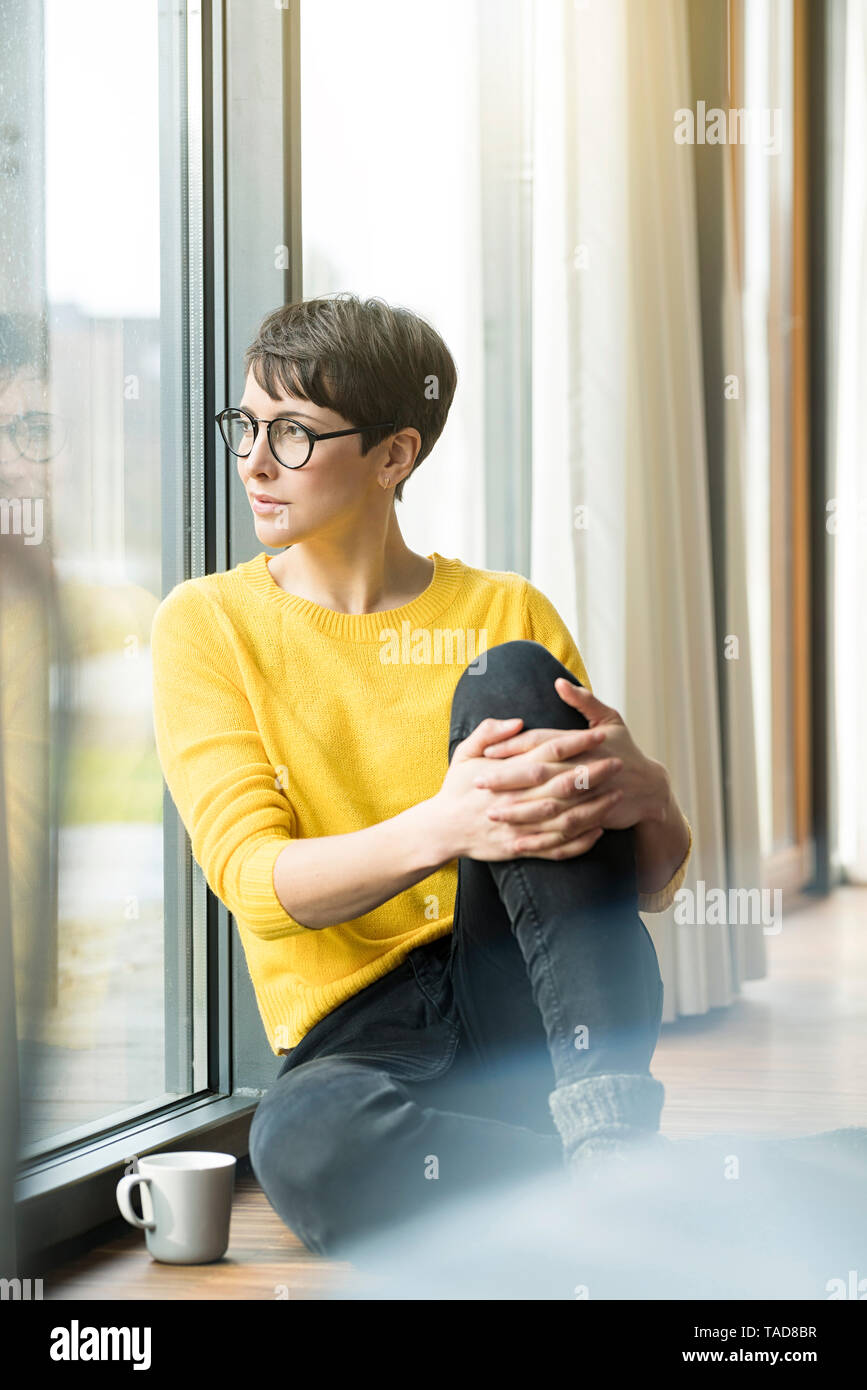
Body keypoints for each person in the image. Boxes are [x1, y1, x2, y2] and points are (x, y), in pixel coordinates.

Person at [150, 292, 693, 1264]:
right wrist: (446, 824)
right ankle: (625, 1187)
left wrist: (654, 799)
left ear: (394, 455)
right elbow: (259, 886)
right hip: (359, 1037)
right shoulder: (208, 623)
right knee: (304, 1145)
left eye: (293, 434)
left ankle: (607, 1139)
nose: (254, 462)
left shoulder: (503, 608)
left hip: (532, 991)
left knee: (512, 676)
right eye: (246, 424)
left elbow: (641, 885)